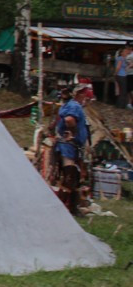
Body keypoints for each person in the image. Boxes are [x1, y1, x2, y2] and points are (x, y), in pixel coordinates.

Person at [55, 83, 91, 216]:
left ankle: (71, 208)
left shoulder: (71, 105)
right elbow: (70, 120)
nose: (86, 97)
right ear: (79, 94)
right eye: (84, 94)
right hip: (68, 146)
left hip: (70, 146)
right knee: (70, 175)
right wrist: (74, 133)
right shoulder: (74, 105)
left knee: (73, 177)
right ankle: (63, 208)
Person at [116, 44, 132, 109]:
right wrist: (116, 74)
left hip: (122, 75)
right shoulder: (121, 58)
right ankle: (120, 106)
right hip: (121, 76)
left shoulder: (122, 59)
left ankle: (121, 105)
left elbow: (125, 67)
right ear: (122, 53)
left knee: (122, 91)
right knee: (123, 92)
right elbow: (118, 67)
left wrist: (129, 65)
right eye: (125, 52)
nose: (126, 53)